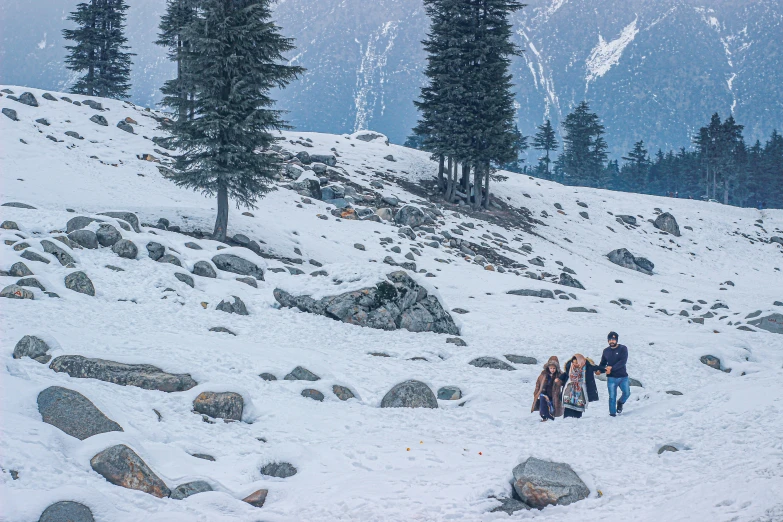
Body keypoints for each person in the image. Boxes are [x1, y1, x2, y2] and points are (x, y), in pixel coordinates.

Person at [597, 331, 630, 417]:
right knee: (612, 397)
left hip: (623, 376)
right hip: (611, 378)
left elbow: (623, 362)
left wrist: (611, 368)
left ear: (616, 340)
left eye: (613, 339)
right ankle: (612, 414)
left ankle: (620, 402)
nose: (611, 341)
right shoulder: (606, 351)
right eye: (610, 339)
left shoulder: (623, 348)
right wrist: (599, 370)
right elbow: (603, 363)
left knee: (627, 393)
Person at [560, 353, 600, 419]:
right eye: (574, 362)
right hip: (570, 389)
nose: (575, 364)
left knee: (579, 403)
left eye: (577, 362)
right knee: (568, 403)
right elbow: (565, 375)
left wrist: (603, 370)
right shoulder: (570, 367)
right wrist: (559, 379)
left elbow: (597, 368)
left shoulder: (587, 367)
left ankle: (577, 417)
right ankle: (567, 417)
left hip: (581, 389)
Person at [531, 357, 563, 421]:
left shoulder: (559, 375)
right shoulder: (544, 374)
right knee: (543, 402)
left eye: (554, 368)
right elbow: (538, 383)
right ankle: (544, 416)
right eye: (551, 368)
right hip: (544, 392)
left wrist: (558, 381)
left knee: (552, 407)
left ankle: (550, 413)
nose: (552, 370)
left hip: (553, 394)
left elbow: (564, 383)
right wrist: (536, 392)